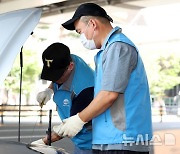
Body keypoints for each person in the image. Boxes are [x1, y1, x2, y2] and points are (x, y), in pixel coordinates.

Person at [55, 3, 153, 154]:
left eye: (80, 31)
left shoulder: (118, 47)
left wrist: (78, 119)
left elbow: (108, 95)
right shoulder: (106, 52)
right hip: (109, 139)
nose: (82, 37)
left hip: (123, 140)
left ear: (93, 24)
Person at [31, 42, 94, 154]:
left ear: (70, 66)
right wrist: (49, 90)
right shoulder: (67, 58)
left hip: (91, 143)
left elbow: (69, 127)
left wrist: (43, 142)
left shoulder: (84, 90)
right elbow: (57, 76)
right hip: (79, 140)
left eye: (57, 76)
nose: (54, 80)